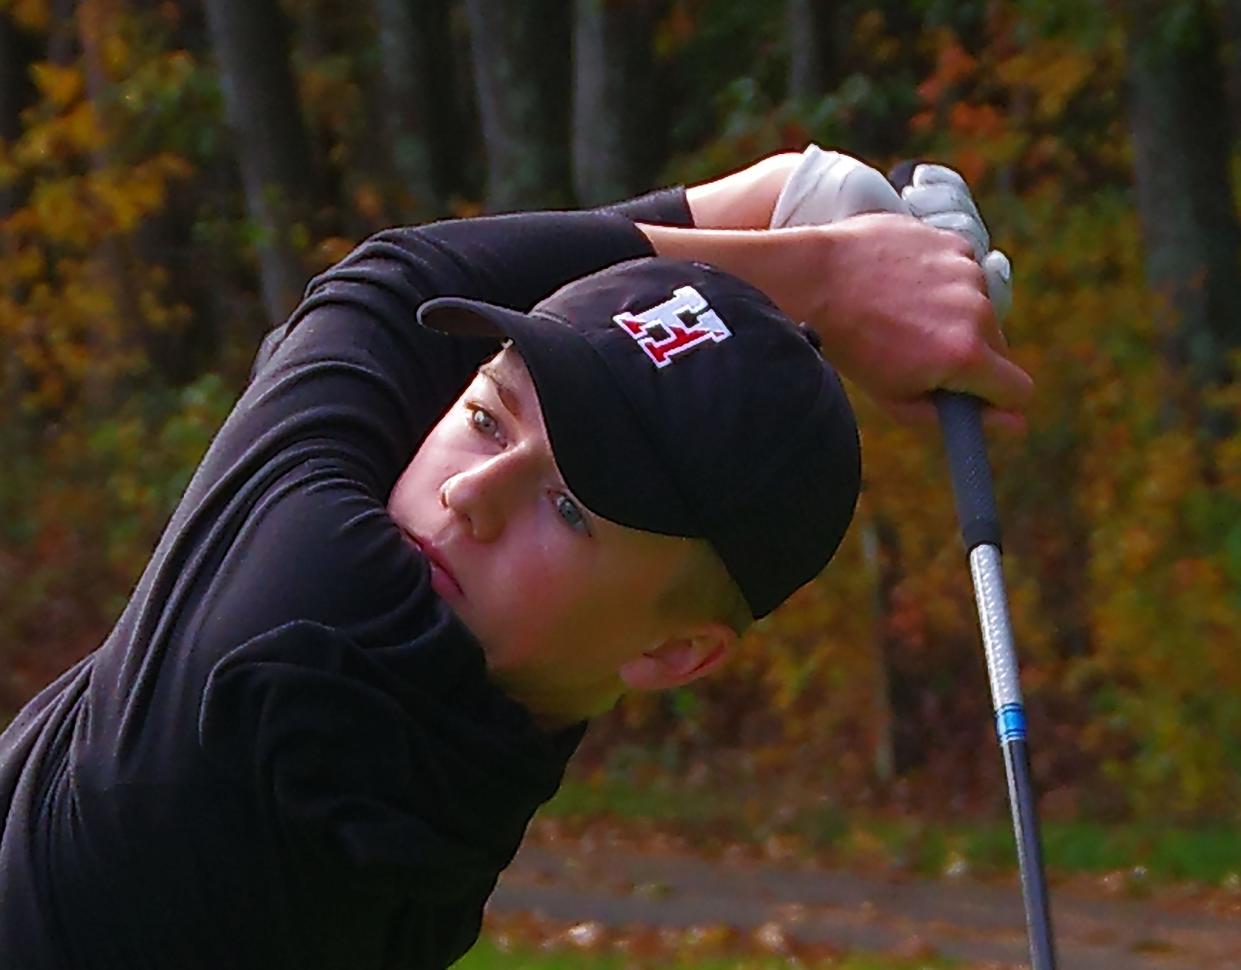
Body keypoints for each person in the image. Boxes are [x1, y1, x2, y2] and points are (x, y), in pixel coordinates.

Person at [0, 148, 1031, 969]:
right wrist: (785, 236)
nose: (466, 493)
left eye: (570, 510)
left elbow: (391, 289)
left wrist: (802, 245)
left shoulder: (296, 647)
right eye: (487, 420)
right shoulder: (511, 682)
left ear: (677, 653)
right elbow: (410, 332)